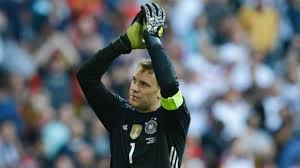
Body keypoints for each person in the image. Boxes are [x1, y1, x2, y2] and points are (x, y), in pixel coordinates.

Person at [76, 3, 190, 168]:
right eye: (134, 81)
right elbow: (86, 77)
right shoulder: (120, 114)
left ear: (160, 93)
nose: (135, 87)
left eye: (144, 84)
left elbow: (170, 85)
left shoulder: (173, 118)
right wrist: (122, 44)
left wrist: (153, 40)